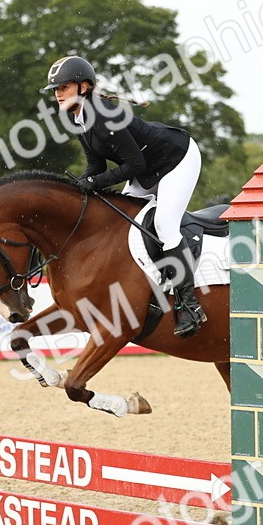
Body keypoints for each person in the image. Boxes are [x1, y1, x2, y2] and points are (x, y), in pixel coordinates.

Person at [41, 55, 207, 338]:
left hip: (176, 160)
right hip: (147, 170)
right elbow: (96, 165)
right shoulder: (77, 116)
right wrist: (80, 185)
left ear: (83, 87)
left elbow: (134, 166)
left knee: (165, 226)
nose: (58, 94)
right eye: (55, 89)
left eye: (63, 87)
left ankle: (190, 306)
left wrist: (95, 182)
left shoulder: (104, 116)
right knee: (122, 226)